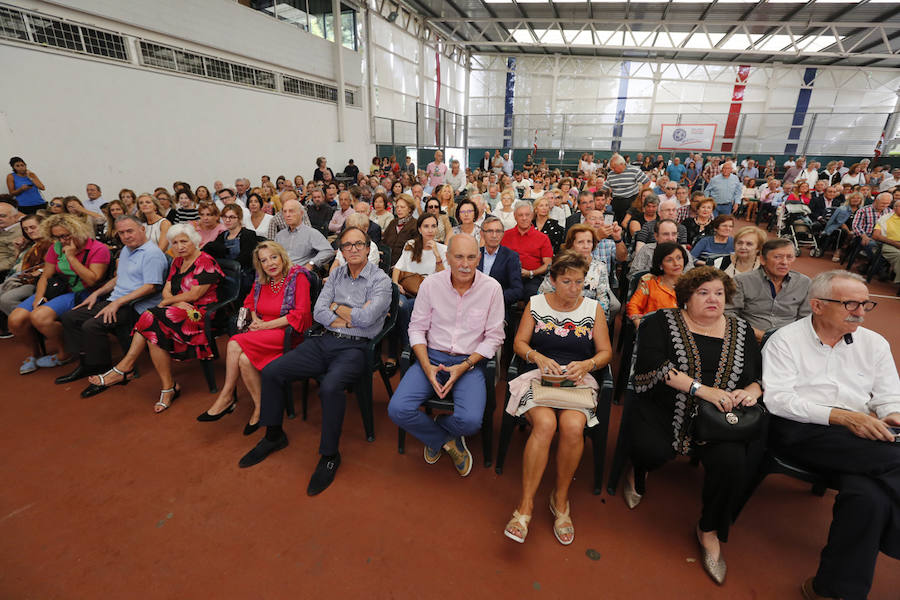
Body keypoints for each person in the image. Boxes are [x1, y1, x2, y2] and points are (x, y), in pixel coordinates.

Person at [762, 271, 900, 600]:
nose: (861, 311)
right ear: (818, 305)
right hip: (802, 428)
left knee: (867, 496)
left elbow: (888, 397)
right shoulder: (785, 340)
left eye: (866, 303)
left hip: (860, 439)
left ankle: (833, 590)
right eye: (850, 303)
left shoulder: (875, 343)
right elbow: (779, 400)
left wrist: (892, 417)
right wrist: (841, 416)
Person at [625, 267, 763, 586]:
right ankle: (638, 470)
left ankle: (709, 530)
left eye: (718, 293)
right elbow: (652, 364)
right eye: (703, 293)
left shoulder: (741, 330)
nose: (713, 299)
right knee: (651, 449)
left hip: (721, 421)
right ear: (686, 297)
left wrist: (751, 392)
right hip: (665, 407)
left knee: (733, 463)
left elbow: (755, 377)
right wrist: (701, 390)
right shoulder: (660, 321)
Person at [239, 226, 391, 495]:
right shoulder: (334, 276)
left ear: (368, 248)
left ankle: (330, 455)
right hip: (323, 340)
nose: (353, 249)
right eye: (347, 245)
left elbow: (367, 321)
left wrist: (338, 309)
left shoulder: (381, 280)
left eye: (359, 244)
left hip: (355, 348)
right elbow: (318, 312)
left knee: (331, 387)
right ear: (341, 251)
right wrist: (345, 313)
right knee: (273, 371)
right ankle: (274, 435)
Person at [503, 251, 613, 545]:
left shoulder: (593, 308)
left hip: (577, 378)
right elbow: (519, 342)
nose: (574, 288)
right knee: (545, 425)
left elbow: (605, 352)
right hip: (538, 375)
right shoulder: (536, 304)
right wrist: (537, 357)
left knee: (573, 427)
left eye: (579, 282)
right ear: (552, 280)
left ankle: (560, 499)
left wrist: (588, 364)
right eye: (567, 281)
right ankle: (525, 505)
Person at [388, 234, 505, 477]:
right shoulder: (431, 284)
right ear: (447, 258)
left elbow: (494, 337)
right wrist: (426, 365)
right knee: (398, 409)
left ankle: (439, 428)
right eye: (459, 256)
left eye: (471, 257)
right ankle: (446, 441)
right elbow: (417, 328)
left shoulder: (492, 288)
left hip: (469, 363)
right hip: (431, 357)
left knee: (472, 421)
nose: (465, 264)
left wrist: (464, 366)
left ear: (479, 258)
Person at [87, 224, 223, 412]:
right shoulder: (177, 262)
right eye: (175, 243)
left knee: (150, 318)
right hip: (176, 309)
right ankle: (167, 388)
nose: (179, 246)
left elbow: (193, 295)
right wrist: (172, 303)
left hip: (199, 313)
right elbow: (166, 290)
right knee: (153, 330)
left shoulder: (205, 261)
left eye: (184, 241)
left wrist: (168, 303)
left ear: (195, 241)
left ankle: (126, 368)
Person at [198, 241, 312, 434]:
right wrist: (256, 318)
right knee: (243, 359)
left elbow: (301, 314)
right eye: (264, 260)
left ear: (282, 256)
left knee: (234, 342)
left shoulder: (297, 277)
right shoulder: (262, 280)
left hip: (286, 333)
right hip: (262, 331)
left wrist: (265, 325)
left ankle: (226, 396)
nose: (270, 264)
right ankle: (261, 408)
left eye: (273, 257)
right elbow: (249, 302)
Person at [56, 216, 168, 390]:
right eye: (121, 233)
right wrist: (97, 293)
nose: (126, 236)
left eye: (130, 231)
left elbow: (152, 287)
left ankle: (104, 370)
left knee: (91, 326)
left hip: (136, 305)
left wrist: (118, 302)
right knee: (70, 317)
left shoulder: (152, 254)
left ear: (142, 229)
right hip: (116, 300)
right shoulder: (126, 250)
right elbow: (118, 278)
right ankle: (87, 363)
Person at [8, 213, 110, 374]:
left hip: (82, 292)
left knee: (39, 317)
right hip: (58, 289)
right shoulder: (56, 247)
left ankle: (65, 352)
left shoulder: (98, 249)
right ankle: (35, 354)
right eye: (57, 237)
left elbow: (92, 281)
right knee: (15, 320)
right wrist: (39, 298)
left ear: (78, 231)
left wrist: (71, 257)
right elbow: (45, 276)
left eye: (65, 235)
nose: (62, 241)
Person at [727, 238, 811, 341]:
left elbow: (806, 319)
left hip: (789, 342)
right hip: (750, 339)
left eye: (790, 257)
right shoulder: (741, 281)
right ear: (762, 260)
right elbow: (729, 313)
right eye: (777, 257)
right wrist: (758, 334)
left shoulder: (804, 283)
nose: (784, 262)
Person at [538, 224, 618, 317]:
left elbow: (603, 299)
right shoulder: (560, 264)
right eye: (580, 242)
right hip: (559, 312)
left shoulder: (600, 267)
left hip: (588, 314)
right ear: (571, 245)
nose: (586, 246)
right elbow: (543, 293)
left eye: (589, 242)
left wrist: (599, 320)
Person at [0, 214, 51, 331]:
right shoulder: (31, 245)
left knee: (6, 299)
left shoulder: (50, 243)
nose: (29, 231)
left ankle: (29, 327)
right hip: (21, 278)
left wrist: (38, 271)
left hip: (36, 282)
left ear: (44, 226)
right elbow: (18, 265)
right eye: (26, 229)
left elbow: (51, 266)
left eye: (33, 227)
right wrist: (18, 250)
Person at [205, 204, 261, 296]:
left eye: (231, 217)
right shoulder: (222, 235)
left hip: (243, 277)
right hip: (224, 275)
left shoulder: (248, 234)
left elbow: (245, 259)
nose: (227, 220)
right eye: (225, 217)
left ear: (239, 218)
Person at [626, 242, 687, 327]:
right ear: (660, 265)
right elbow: (633, 306)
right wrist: (639, 326)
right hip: (655, 330)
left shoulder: (691, 283)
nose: (676, 263)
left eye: (679, 258)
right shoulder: (649, 282)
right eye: (669, 260)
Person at [502, 202, 553, 298]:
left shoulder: (542, 238)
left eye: (527, 215)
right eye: (520, 215)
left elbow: (548, 264)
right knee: (500, 293)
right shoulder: (505, 235)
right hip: (508, 277)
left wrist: (531, 273)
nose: (524, 218)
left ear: (532, 215)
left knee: (532, 294)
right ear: (515, 216)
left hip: (533, 278)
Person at [274, 199, 335, 272]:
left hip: (301, 273)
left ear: (301, 213)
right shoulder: (279, 236)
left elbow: (328, 251)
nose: (287, 215)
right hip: (281, 274)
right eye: (285, 211)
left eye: (291, 211)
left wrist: (311, 263)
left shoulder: (311, 233)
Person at [477, 215, 522, 313]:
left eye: (498, 231)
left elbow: (517, 290)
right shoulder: (474, 254)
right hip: (473, 305)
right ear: (482, 234)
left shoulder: (511, 256)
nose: (494, 235)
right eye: (489, 231)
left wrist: (494, 299)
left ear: (502, 234)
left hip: (498, 308)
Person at [604, 154, 652, 223]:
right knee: (617, 222)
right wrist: (606, 197)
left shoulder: (634, 170)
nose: (612, 169)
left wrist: (640, 195)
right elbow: (605, 188)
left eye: (614, 167)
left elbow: (647, 182)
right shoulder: (611, 174)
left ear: (621, 164)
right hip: (616, 202)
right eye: (611, 168)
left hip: (631, 201)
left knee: (629, 223)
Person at [872, 197, 900, 283]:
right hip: (889, 245)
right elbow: (876, 236)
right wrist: (895, 243)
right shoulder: (885, 218)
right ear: (895, 208)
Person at [0, 197, 23, 276]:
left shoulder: (19, 232)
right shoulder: (4, 228)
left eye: (2, 216)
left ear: (15, 217)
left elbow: (14, 259)